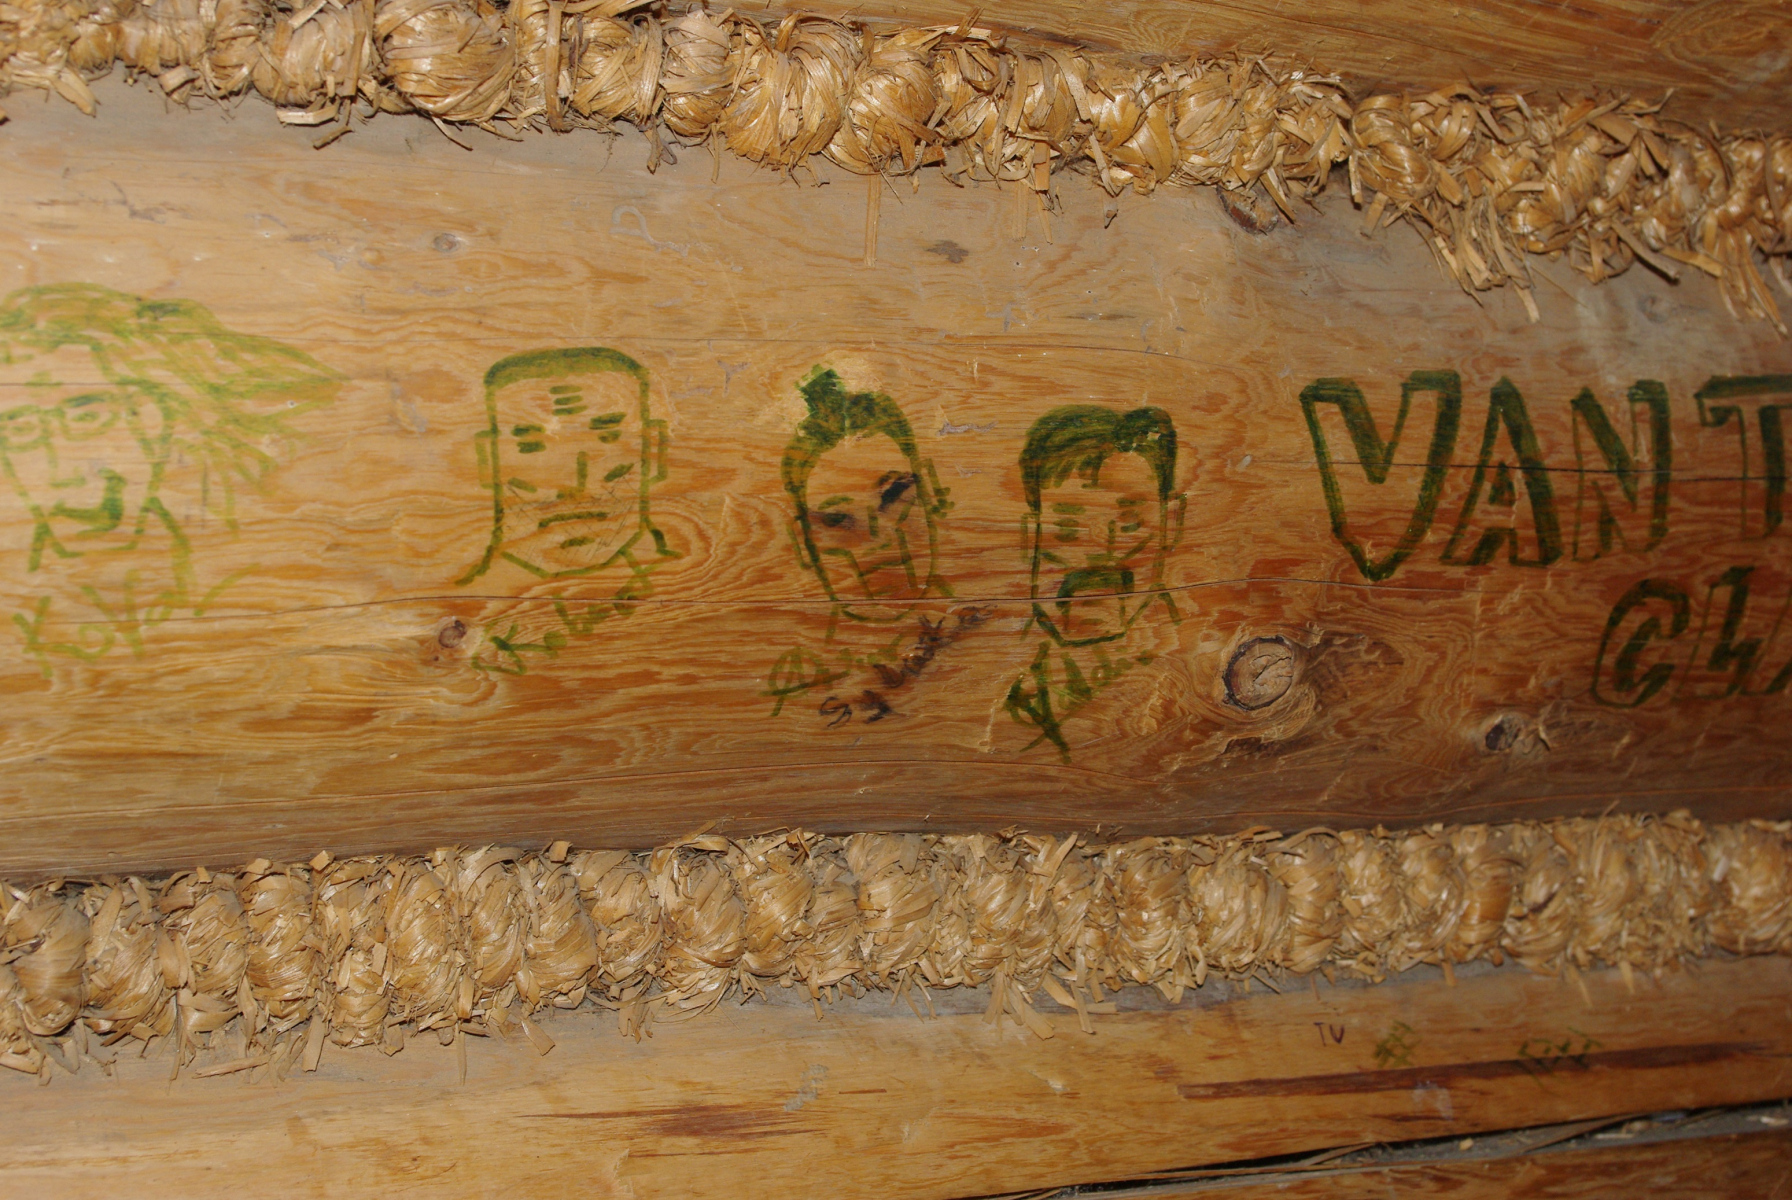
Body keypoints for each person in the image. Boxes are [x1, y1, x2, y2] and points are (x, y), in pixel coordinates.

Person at [0, 283, 338, 667]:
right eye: (21, 431)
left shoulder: (263, 579)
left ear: (163, 418)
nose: (63, 473)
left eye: (87, 417)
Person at [765, 367, 957, 719]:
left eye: (895, 494)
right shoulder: (803, 674)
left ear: (933, 494)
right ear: (803, 544)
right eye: (836, 520)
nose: (879, 541)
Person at [1004, 404, 1185, 759]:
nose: (1100, 550)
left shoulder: (1189, 647)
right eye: (1068, 527)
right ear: (1029, 536)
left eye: (1130, 523)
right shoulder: (999, 657)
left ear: (1172, 523)